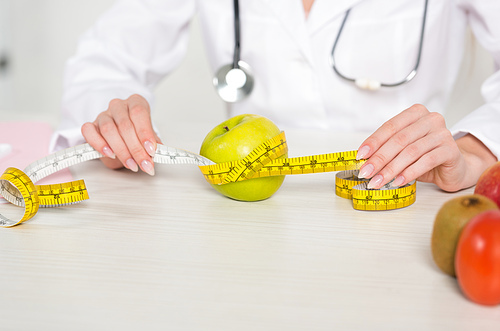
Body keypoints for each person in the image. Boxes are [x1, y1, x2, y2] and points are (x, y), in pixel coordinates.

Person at [51, 0, 499, 192]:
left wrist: (475, 150)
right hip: (252, 220)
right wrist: (116, 124)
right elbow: (103, 60)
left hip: (409, 205)